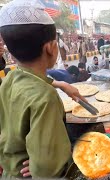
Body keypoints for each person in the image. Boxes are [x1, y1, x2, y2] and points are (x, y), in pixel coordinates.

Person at [0, 0, 72, 177]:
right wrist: (44, 164)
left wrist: (59, 83)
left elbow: (29, 81)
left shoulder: (9, 79)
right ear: (50, 48)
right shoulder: (45, 98)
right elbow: (48, 168)